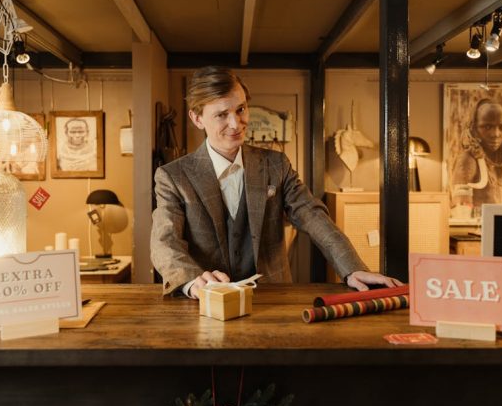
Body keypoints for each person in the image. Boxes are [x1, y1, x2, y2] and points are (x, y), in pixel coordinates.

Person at [150, 66, 402, 299]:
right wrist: (192, 281)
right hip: (206, 304)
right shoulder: (172, 176)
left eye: (240, 109)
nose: (236, 124)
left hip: (272, 299)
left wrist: (352, 268)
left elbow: (312, 215)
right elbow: (165, 241)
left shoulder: (276, 164)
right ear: (197, 119)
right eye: (221, 115)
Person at [451, 98, 502, 213]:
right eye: (487, 127)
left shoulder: (497, 159)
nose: (495, 134)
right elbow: (460, 211)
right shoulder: (467, 160)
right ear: (474, 129)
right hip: (477, 230)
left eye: (501, 127)